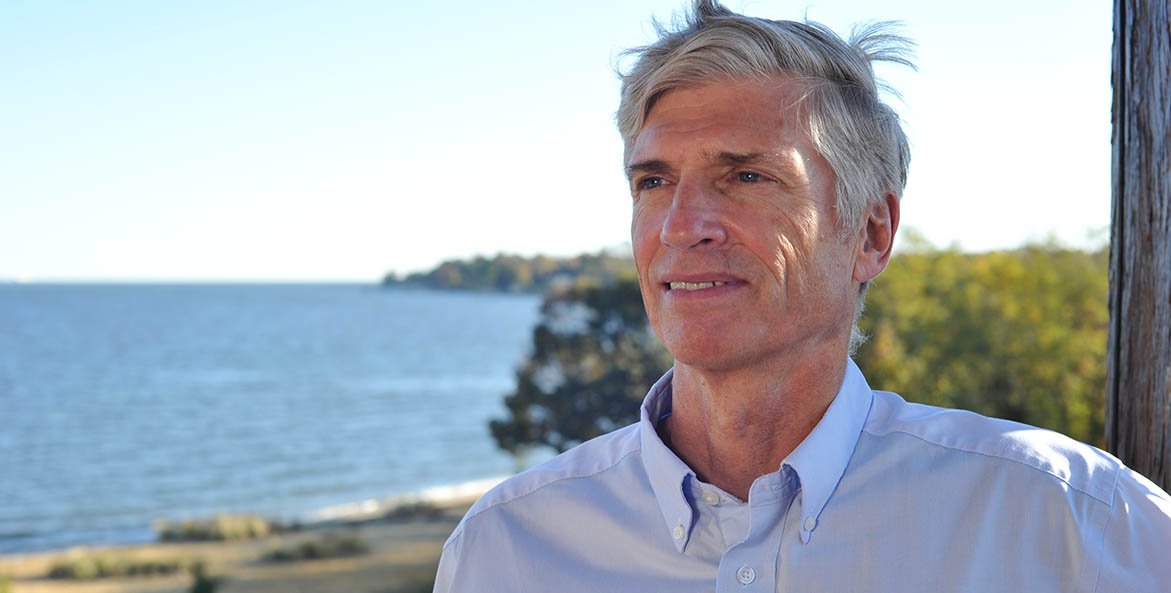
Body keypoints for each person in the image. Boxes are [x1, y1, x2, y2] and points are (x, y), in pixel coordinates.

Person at [433, 1, 1171, 591]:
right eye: (653, 181)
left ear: (870, 234)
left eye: (746, 176)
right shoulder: (507, 547)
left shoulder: (1070, 518)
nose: (681, 226)